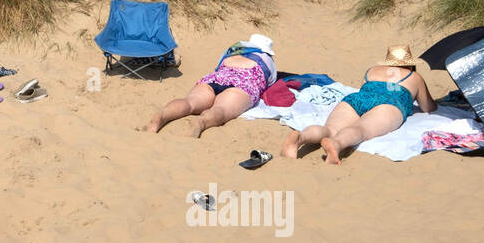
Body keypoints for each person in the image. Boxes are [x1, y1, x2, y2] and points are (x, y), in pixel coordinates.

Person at [279, 45, 435, 165]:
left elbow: (364, 90)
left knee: (330, 129)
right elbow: (427, 107)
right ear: (409, 64)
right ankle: (337, 144)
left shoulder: (372, 70)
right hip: (388, 104)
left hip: (358, 99)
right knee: (361, 130)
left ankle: (300, 137)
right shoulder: (414, 77)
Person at [144, 34, 277, 138]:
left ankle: (162, 115)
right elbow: (269, 83)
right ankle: (201, 122)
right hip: (242, 85)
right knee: (221, 110)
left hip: (216, 78)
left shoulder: (233, 51)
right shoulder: (267, 60)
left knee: (189, 103)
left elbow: (219, 66)